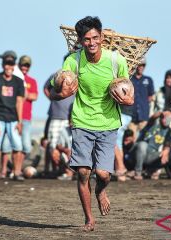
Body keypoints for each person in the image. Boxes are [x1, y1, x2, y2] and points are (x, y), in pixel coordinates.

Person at [49, 16, 133, 231]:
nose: (92, 43)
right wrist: (61, 94)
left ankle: (100, 190)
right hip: (81, 121)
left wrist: (128, 100)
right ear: (80, 40)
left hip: (108, 123)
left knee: (103, 175)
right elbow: (54, 91)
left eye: (95, 37)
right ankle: (89, 219)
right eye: (86, 39)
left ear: (102, 37)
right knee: (84, 172)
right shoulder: (73, 61)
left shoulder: (116, 61)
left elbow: (129, 93)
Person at [0, 52, 25, 181]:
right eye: (6, 63)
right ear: (2, 64)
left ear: (14, 65)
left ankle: (17, 172)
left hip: (13, 119)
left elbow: (19, 102)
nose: (8, 66)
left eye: (10, 64)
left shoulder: (19, 81)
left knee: (18, 146)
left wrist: (20, 121)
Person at [44, 62, 75, 174]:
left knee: (69, 144)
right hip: (56, 115)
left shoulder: (77, 78)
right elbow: (46, 88)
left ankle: (66, 170)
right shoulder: (56, 76)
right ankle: (51, 169)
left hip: (70, 118)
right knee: (52, 144)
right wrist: (55, 99)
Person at [124, 110, 171, 180]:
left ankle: (150, 170)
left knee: (169, 156)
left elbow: (167, 144)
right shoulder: (154, 123)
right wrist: (160, 113)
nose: (166, 118)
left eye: (168, 117)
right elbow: (152, 118)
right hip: (136, 152)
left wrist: (166, 152)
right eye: (164, 117)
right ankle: (137, 172)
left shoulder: (169, 131)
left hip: (150, 155)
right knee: (143, 145)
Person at [18, 55, 38, 162]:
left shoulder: (32, 81)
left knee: (25, 145)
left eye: (27, 65)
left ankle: (18, 168)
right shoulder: (14, 78)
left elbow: (35, 96)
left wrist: (25, 94)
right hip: (14, 117)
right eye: (23, 65)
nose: (24, 67)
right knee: (13, 145)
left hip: (26, 117)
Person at [129, 58, 155, 138]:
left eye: (143, 65)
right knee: (130, 140)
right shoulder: (129, 79)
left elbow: (151, 96)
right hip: (131, 117)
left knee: (142, 140)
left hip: (144, 117)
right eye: (139, 65)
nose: (141, 67)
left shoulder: (148, 80)